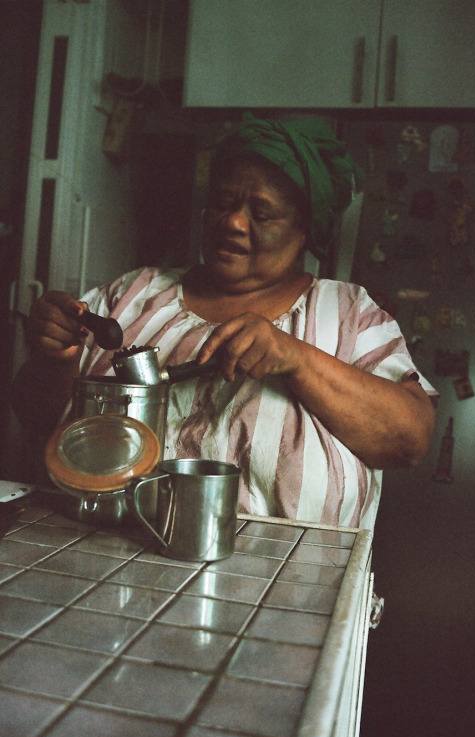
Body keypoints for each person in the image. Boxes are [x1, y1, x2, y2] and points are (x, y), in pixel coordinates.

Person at [11, 115, 436, 530]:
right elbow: (37, 421)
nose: (232, 222)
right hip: (103, 560)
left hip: (285, 584)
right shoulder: (130, 295)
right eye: (222, 203)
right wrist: (55, 360)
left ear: (304, 228)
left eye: (262, 213)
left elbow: (409, 440)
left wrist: (298, 360)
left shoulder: (347, 311)